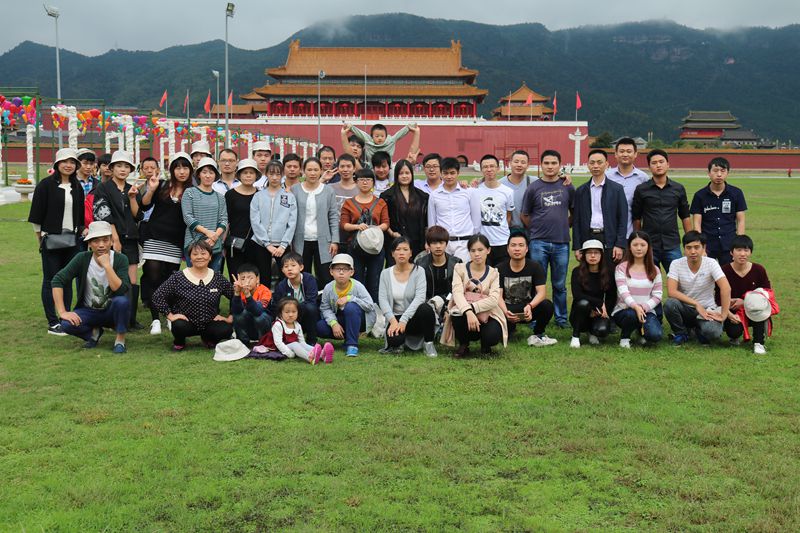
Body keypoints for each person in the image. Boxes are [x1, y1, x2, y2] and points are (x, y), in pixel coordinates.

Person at [28, 148, 86, 335]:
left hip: (72, 240)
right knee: (50, 280)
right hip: (51, 239)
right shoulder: (45, 185)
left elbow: (80, 216)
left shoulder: (77, 187)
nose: (68, 165)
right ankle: (52, 321)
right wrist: (39, 237)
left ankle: (65, 317)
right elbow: (36, 215)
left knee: (67, 279)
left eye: (72, 162)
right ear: (57, 164)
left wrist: (82, 230)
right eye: (64, 162)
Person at [51, 221, 130, 353]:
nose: (101, 245)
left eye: (105, 240)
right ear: (89, 243)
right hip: (89, 310)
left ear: (111, 241)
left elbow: (121, 289)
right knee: (66, 324)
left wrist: (107, 266)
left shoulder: (121, 259)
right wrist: (62, 312)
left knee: (122, 302)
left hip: (112, 311)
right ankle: (94, 333)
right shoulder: (82, 258)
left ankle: (120, 340)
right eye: (96, 241)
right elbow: (57, 280)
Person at [521, 149, 575, 328]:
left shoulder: (567, 186)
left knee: (559, 284)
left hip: (561, 243)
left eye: (554, 163)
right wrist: (537, 229)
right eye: (546, 163)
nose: (550, 166)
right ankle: (534, 317)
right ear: (541, 165)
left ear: (560, 165)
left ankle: (561, 319)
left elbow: (574, 212)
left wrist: (563, 225)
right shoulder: (534, 187)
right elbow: (524, 215)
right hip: (538, 243)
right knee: (537, 283)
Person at [140, 151, 191, 335]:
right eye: (178, 168)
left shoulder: (192, 191)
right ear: (172, 170)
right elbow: (144, 205)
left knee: (170, 281)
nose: (181, 172)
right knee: (153, 278)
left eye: (185, 168)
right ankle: (155, 319)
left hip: (175, 241)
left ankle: (169, 316)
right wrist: (151, 189)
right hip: (154, 237)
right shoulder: (161, 185)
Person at [151, 240, 234, 351]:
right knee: (178, 326)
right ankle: (179, 342)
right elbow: (157, 296)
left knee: (226, 329)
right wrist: (170, 315)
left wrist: (230, 317)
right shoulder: (179, 277)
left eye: (203, 253)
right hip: (186, 323)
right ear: (190, 258)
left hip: (210, 322)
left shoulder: (217, 277)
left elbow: (235, 295)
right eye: (195, 254)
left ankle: (209, 339)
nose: (199, 257)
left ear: (210, 257)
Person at [93, 150, 143, 329]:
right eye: (119, 166)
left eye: (126, 166)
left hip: (131, 238)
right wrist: (114, 239)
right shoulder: (103, 188)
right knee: (112, 278)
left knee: (132, 280)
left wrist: (133, 198)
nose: (123, 169)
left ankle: (130, 319)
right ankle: (112, 318)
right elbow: (104, 214)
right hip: (111, 239)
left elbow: (137, 215)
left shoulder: (132, 188)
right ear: (111, 168)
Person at [441, 234, 507, 357]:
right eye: (473, 250)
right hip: (464, 313)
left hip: (488, 314)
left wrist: (472, 308)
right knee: (457, 312)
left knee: (492, 336)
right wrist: (468, 312)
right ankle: (464, 344)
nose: (477, 254)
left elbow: (494, 299)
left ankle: (486, 345)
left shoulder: (494, 273)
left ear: (488, 250)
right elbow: (457, 293)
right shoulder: (459, 268)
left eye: (480, 250)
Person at [664, 231, 731, 346]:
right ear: (684, 249)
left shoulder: (711, 263)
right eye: (688, 248)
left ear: (704, 248)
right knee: (670, 304)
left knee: (714, 332)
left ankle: (698, 330)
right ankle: (681, 333)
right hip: (685, 309)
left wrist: (724, 315)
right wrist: (696, 304)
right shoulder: (676, 264)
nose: (693, 251)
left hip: (707, 310)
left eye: (696, 247)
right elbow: (671, 291)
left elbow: (726, 288)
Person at [631, 149, 691, 273]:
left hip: (672, 244)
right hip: (649, 244)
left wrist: (690, 240)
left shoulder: (678, 188)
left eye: (661, 162)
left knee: (678, 278)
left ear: (668, 164)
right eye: (654, 163)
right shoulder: (641, 190)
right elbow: (636, 217)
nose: (658, 165)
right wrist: (638, 239)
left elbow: (685, 215)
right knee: (648, 278)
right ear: (649, 167)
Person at [378, 237, 438, 356]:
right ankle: (399, 343)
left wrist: (404, 320)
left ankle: (429, 344)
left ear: (410, 253)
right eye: (398, 249)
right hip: (395, 317)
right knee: (394, 341)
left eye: (405, 249)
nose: (401, 253)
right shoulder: (385, 274)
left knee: (426, 309)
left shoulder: (419, 271)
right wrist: (393, 321)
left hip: (414, 317)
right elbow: (382, 300)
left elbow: (420, 298)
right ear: (392, 253)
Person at [496, 232, 556, 346]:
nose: (517, 249)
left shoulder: (535, 266)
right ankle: (509, 328)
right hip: (507, 308)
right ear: (508, 249)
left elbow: (542, 292)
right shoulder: (499, 269)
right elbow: (498, 296)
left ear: (527, 249)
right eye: (513, 245)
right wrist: (505, 311)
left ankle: (538, 333)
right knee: (499, 332)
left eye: (521, 245)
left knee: (547, 305)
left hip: (528, 308)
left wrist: (530, 306)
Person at [340, 169, 390, 301]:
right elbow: (344, 224)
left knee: (374, 282)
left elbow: (385, 223)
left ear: (373, 182)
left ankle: (374, 308)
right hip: (355, 247)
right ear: (356, 182)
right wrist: (357, 227)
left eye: (368, 180)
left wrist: (373, 230)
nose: (365, 182)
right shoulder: (349, 203)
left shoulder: (380, 202)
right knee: (357, 281)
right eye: (361, 179)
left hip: (375, 247)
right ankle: (358, 308)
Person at [291, 157, 340, 286]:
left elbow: (333, 216)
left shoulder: (328, 190)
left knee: (325, 276)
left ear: (321, 171)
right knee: (302, 275)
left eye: (316, 170)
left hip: (323, 240)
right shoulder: (295, 190)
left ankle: (323, 299)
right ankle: (304, 299)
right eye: (309, 170)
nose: (312, 173)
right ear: (303, 171)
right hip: (301, 240)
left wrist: (334, 240)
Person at [572, 149, 627, 263]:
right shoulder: (581, 191)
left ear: (606, 164)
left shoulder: (617, 189)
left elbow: (623, 219)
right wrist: (577, 246)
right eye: (592, 163)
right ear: (588, 165)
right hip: (588, 237)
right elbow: (576, 220)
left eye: (599, 162)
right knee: (588, 272)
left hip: (609, 238)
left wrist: (620, 244)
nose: (595, 166)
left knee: (609, 271)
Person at [720, 235, 772, 354]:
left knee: (759, 308)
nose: (742, 254)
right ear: (731, 252)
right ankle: (734, 337)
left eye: (746, 250)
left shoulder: (759, 270)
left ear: (750, 252)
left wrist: (745, 302)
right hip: (732, 311)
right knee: (733, 331)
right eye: (738, 250)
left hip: (754, 308)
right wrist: (728, 310)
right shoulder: (724, 271)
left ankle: (759, 343)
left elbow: (767, 293)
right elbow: (718, 297)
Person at [316, 253, 376, 357]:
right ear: (331, 271)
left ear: (351, 272)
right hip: (341, 319)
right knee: (320, 327)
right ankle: (348, 336)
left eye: (345, 269)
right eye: (337, 269)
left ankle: (352, 345)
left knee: (351, 307)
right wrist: (334, 323)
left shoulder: (358, 286)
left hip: (360, 320)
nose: (341, 272)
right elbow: (325, 308)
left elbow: (370, 305)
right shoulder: (328, 288)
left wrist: (350, 298)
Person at [690, 157, 747, 264]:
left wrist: (739, 245)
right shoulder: (699, 195)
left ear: (727, 173)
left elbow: (741, 220)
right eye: (715, 171)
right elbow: (697, 223)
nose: (719, 174)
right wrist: (700, 246)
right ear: (709, 173)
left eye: (723, 171)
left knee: (728, 273)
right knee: (706, 273)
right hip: (708, 245)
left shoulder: (736, 193)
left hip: (729, 243)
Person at [250, 159, 297, 287]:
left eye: (278, 174)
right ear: (266, 174)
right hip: (261, 244)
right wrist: (267, 244)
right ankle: (264, 299)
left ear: (282, 175)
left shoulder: (289, 196)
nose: (275, 177)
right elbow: (255, 221)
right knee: (263, 277)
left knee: (285, 277)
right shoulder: (258, 196)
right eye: (271, 174)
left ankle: (283, 299)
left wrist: (283, 245)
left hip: (282, 244)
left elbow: (292, 222)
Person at [612, 231, 663, 348]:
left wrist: (643, 307)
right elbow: (623, 292)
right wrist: (635, 307)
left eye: (643, 245)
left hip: (646, 311)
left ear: (648, 247)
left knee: (655, 335)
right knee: (632, 315)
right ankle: (625, 337)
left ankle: (640, 331)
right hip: (625, 311)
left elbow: (658, 295)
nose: (639, 248)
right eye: (635, 245)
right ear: (629, 247)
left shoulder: (655, 269)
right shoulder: (621, 268)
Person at [181, 157, 228, 273]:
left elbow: (223, 219)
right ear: (199, 174)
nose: (208, 176)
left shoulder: (220, 197)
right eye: (204, 172)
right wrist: (208, 233)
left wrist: (214, 236)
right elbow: (188, 217)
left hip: (214, 245)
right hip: (194, 243)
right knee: (194, 279)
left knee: (213, 279)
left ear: (215, 175)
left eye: (211, 172)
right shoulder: (190, 192)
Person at [224, 159, 267, 282]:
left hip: (257, 242)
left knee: (255, 278)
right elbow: (226, 220)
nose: (248, 175)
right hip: (235, 243)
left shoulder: (261, 195)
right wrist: (223, 243)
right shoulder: (230, 195)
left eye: (251, 173)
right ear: (239, 175)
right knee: (236, 278)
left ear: (256, 175)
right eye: (245, 173)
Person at [427, 157, 477, 262]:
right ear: (441, 174)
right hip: (443, 243)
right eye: (445, 173)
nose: (449, 177)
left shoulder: (469, 192)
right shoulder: (434, 195)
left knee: (462, 271)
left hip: (464, 242)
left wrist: (473, 241)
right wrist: (433, 242)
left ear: (458, 173)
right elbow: (432, 222)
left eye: (452, 173)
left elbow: (476, 221)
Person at [569, 239, 617, 348]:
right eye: (589, 253)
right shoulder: (577, 272)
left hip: (598, 311)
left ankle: (592, 332)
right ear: (584, 255)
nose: (593, 256)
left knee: (602, 330)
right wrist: (599, 303)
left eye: (596, 252)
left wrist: (604, 312)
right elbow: (577, 295)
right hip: (580, 311)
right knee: (583, 303)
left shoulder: (609, 272)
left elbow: (612, 296)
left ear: (601, 255)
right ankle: (575, 336)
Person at [381, 159, 429, 261]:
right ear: (396, 175)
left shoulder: (422, 196)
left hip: (417, 243)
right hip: (396, 242)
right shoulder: (387, 196)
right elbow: (383, 219)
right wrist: (392, 233)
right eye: (401, 173)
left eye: (407, 173)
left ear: (412, 174)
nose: (404, 176)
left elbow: (426, 221)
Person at [414, 225, 462, 323]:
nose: (438, 246)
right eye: (434, 243)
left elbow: (457, 290)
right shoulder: (421, 264)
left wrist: (446, 304)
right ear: (428, 245)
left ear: (446, 244)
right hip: (427, 305)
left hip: (450, 301)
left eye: (441, 242)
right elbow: (418, 291)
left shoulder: (456, 263)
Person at [473, 154, 515, 266]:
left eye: (492, 166)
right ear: (481, 170)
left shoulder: (508, 192)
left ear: (498, 168)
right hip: (482, 242)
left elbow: (508, 216)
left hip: (502, 241)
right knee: (484, 274)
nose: (489, 169)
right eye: (485, 167)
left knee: (502, 273)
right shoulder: (475, 191)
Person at [260, 298, 330, 364]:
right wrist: (290, 354)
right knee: (295, 344)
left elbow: (302, 342)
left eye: (294, 312)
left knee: (301, 344)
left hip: (290, 345)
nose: (290, 315)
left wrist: (302, 347)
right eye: (287, 312)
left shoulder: (297, 325)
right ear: (280, 313)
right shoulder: (278, 324)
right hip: (276, 347)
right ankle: (310, 358)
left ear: (298, 313)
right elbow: (278, 343)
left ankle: (322, 354)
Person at [270, 252, 320, 344]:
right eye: (286, 266)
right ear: (282, 270)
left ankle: (312, 341)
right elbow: (277, 306)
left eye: (293, 265)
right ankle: (288, 339)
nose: (289, 269)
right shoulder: (281, 286)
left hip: (306, 315)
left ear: (301, 267)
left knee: (311, 307)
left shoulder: (309, 279)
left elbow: (312, 301)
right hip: (289, 316)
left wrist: (295, 308)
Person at [605, 137, 649, 236]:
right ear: (615, 154)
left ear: (635, 154)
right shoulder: (606, 177)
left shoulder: (643, 178)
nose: (625, 154)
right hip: (609, 232)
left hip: (633, 234)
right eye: (621, 151)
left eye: (629, 151)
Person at [230, 263, 272, 345]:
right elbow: (236, 311)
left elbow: (258, 312)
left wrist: (248, 295)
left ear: (257, 279)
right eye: (243, 278)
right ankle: (243, 342)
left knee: (260, 317)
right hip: (248, 325)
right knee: (238, 316)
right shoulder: (239, 290)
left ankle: (263, 342)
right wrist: (237, 293)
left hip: (263, 325)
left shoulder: (265, 291)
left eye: (250, 278)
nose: (247, 281)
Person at [345, 122, 419, 163]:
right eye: (377, 136)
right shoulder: (368, 140)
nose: (380, 138)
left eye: (382, 136)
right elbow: (360, 133)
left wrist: (409, 127)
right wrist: (351, 127)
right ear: (372, 137)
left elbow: (399, 134)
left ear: (386, 136)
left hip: (388, 167)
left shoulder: (390, 141)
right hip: (372, 167)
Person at [500, 149, 538, 229]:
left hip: (529, 230)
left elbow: (551, 183)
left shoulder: (535, 182)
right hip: (507, 231)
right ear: (510, 163)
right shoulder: (500, 184)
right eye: (516, 162)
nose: (519, 165)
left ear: (528, 165)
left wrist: (563, 178)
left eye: (523, 162)